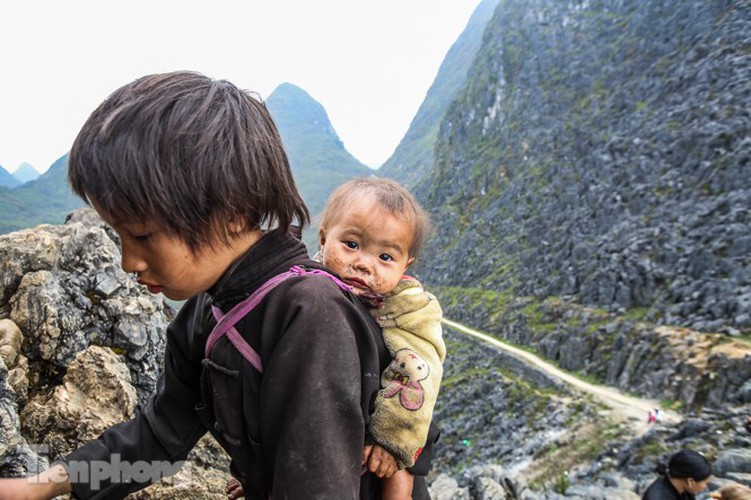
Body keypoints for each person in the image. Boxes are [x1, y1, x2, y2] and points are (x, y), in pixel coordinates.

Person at [0, 71, 433, 499]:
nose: (128, 261)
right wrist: (38, 487)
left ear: (228, 210)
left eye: (144, 235)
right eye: (121, 236)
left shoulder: (311, 315)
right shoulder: (207, 312)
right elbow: (159, 438)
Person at [318, 177, 446, 499]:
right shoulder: (307, 290)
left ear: (406, 265)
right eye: (351, 245)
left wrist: (391, 438)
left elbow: (421, 371)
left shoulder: (408, 307)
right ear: (323, 238)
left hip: (397, 416)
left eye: (385, 258)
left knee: (399, 473)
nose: (363, 264)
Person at [642, 449, 713, 500]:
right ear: (690, 481)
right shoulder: (657, 497)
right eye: (705, 483)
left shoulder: (680, 488)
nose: (705, 487)